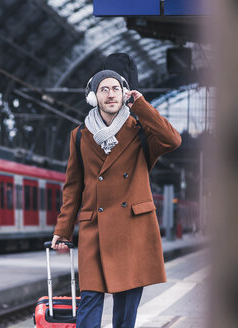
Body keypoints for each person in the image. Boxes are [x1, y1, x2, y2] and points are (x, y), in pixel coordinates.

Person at [51, 69, 181, 327]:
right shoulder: (79, 136)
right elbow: (73, 187)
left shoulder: (142, 131)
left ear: (125, 94)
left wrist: (141, 105)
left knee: (125, 311)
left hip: (132, 229)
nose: (110, 95)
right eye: (104, 89)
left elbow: (173, 139)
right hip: (94, 230)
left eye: (116, 89)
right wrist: (63, 230)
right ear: (93, 96)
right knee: (89, 301)